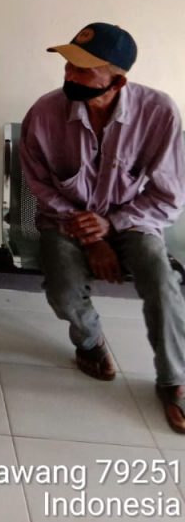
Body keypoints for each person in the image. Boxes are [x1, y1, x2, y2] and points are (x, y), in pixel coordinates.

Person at [20, 23, 185, 434]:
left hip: (134, 219)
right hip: (65, 219)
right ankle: (90, 342)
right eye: (68, 65)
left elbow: (168, 196)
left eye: (83, 69)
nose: (69, 75)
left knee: (162, 280)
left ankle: (175, 380)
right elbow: (39, 184)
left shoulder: (159, 113)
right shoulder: (44, 113)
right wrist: (93, 238)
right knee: (62, 290)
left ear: (118, 81)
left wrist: (111, 225)